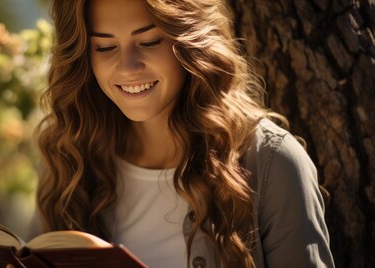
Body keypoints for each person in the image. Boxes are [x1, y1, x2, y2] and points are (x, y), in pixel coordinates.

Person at [32, 0, 334, 267]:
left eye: (149, 41)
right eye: (105, 47)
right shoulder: (70, 158)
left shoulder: (271, 163)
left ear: (190, 39)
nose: (127, 67)